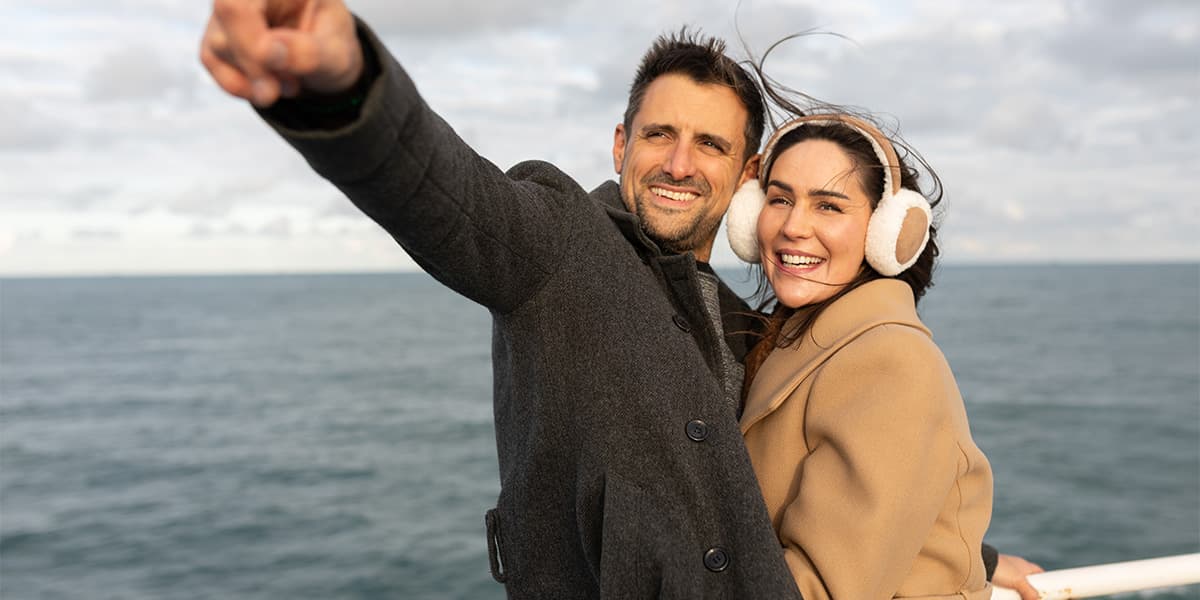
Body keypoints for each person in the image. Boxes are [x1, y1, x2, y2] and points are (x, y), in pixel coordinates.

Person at [199, 2, 1041, 597]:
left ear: (743, 178)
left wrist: (978, 551)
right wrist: (341, 86)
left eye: (710, 143)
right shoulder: (557, 246)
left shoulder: (741, 321)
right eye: (658, 135)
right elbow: (445, 194)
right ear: (620, 143)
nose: (679, 162)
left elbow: (810, 488)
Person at [725, 112, 992, 598]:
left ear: (884, 233)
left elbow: (827, 588)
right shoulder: (791, 338)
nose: (793, 226)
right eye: (780, 198)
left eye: (828, 206)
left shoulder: (891, 364)